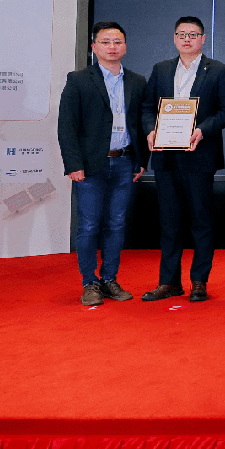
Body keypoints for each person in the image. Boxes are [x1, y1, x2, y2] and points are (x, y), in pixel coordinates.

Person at [140, 16, 225, 303]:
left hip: (199, 156)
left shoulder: (218, 70)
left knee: (201, 222)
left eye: (193, 34)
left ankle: (199, 282)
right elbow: (147, 108)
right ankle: (169, 282)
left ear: (203, 39)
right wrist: (151, 129)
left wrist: (202, 130)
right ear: (174, 38)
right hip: (166, 158)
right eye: (182, 34)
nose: (187, 39)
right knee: (169, 222)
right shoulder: (161, 69)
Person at [58, 21, 148, 306]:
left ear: (125, 46)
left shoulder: (137, 81)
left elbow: (141, 123)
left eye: (117, 42)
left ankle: (109, 279)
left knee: (117, 224)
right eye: (106, 42)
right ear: (94, 47)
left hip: (124, 162)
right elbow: (67, 126)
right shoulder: (78, 80)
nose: (112, 47)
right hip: (90, 166)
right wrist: (73, 163)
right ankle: (90, 282)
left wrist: (141, 160)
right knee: (88, 225)